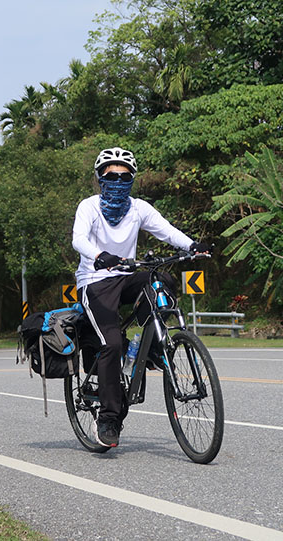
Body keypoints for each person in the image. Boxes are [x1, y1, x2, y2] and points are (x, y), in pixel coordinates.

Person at [72, 147, 210, 447]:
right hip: (95, 282)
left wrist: (192, 245)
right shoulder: (89, 207)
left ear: (132, 179)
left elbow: (167, 231)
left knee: (161, 279)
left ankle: (157, 344)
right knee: (112, 343)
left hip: (126, 277)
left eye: (125, 175)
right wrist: (100, 256)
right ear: (100, 178)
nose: (118, 180)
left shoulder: (138, 208)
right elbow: (78, 239)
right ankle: (108, 418)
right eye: (112, 175)